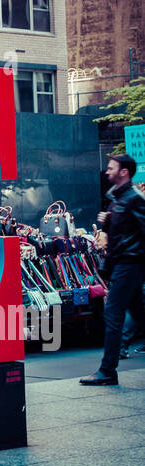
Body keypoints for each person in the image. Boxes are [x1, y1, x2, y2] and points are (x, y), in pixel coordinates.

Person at [80, 155, 145, 386]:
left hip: (130, 264)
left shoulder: (134, 198)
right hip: (123, 263)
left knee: (113, 314)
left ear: (124, 171)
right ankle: (108, 370)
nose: (107, 172)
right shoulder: (118, 198)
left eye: (111, 168)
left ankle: (107, 370)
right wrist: (108, 222)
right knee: (139, 314)